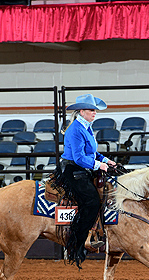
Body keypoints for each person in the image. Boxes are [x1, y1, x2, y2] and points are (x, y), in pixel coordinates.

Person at [55, 94, 117, 267]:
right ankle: (76, 243)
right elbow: (79, 157)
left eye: (95, 110)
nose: (94, 113)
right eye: (91, 110)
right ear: (81, 111)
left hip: (82, 168)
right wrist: (99, 165)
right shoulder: (76, 129)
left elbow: (91, 152)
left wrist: (105, 161)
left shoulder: (86, 127)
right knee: (91, 202)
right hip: (73, 169)